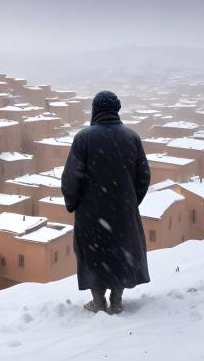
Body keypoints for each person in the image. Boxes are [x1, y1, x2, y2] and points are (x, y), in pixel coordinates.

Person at [61, 90, 151, 314]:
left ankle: (98, 300)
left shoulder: (84, 138)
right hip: (122, 212)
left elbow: (71, 177)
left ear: (95, 110)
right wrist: (130, 201)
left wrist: (73, 201)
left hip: (91, 212)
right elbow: (144, 176)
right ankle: (117, 299)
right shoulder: (132, 138)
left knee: (95, 255)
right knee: (120, 252)